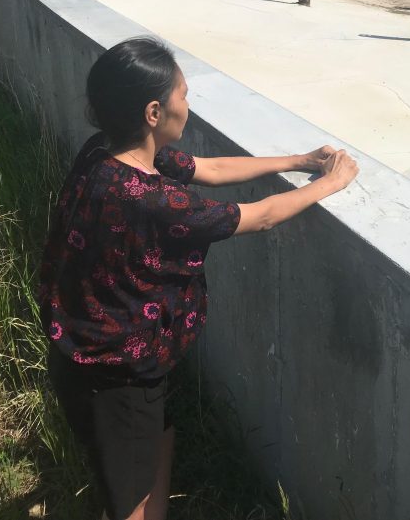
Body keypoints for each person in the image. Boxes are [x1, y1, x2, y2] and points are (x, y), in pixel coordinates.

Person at [38, 37, 359, 520]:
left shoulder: (106, 152)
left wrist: (298, 160)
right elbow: (262, 216)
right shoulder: (152, 201)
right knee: (128, 502)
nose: (188, 104)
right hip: (114, 378)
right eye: (183, 95)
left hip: (115, 359)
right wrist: (330, 183)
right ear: (153, 112)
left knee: (155, 448)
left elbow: (210, 169)